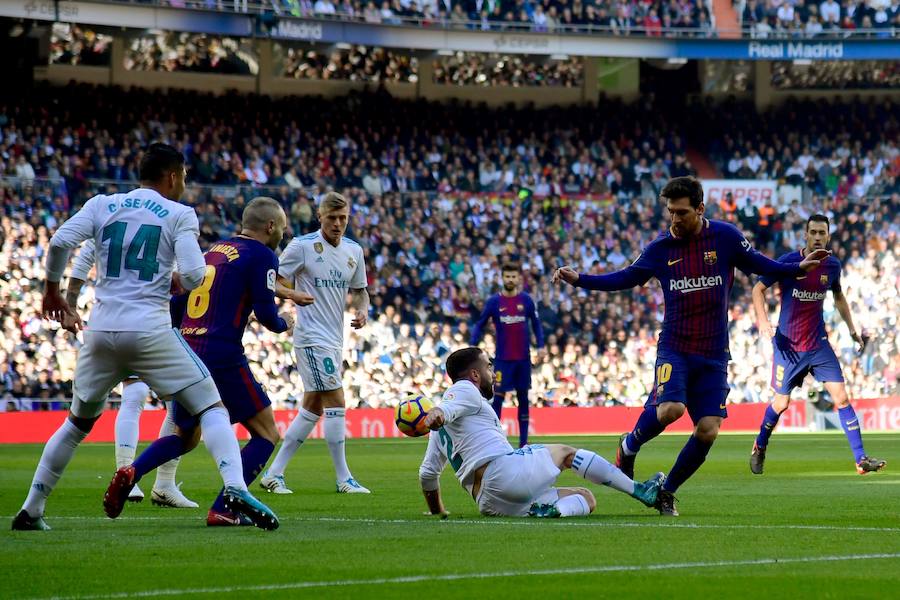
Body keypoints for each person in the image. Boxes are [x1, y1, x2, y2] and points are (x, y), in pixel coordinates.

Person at [12, 143, 278, 531]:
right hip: (150, 331)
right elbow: (191, 275)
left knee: (75, 425)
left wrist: (54, 291)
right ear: (172, 176)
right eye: (184, 176)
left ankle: (32, 509)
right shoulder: (179, 213)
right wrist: (174, 280)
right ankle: (234, 487)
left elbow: (58, 243)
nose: (184, 183)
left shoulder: (103, 204)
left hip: (101, 332)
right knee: (212, 408)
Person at [552, 176, 829, 517]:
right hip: (675, 346)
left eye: (681, 212)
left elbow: (759, 263)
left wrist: (795, 268)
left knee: (709, 430)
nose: (674, 219)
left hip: (714, 353)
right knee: (671, 409)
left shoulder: (725, 237)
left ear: (700, 209)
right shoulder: (660, 249)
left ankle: (666, 491)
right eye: (670, 212)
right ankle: (628, 445)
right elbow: (625, 277)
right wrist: (581, 279)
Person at [104, 196, 307, 526]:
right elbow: (268, 316)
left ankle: (131, 471)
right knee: (267, 433)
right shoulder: (262, 255)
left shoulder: (212, 252)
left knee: (187, 436)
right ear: (270, 226)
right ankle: (224, 508)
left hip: (185, 348)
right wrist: (286, 321)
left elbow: (176, 302)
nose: (283, 234)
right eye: (282, 228)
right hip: (222, 352)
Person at [418, 347, 662, 518]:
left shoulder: (440, 433)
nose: (493, 374)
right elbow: (448, 407)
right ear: (474, 374)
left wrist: (438, 510)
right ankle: (640, 490)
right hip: (503, 473)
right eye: (488, 367)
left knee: (586, 498)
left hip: (488, 501)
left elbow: (428, 474)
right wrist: (437, 412)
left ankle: (557, 511)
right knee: (566, 453)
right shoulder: (464, 389)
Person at [64, 240, 197, 508]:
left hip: (138, 316)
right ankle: (136, 476)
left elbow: (84, 256)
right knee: (149, 397)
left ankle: (157, 483)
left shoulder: (117, 218)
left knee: (170, 403)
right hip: (143, 317)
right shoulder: (167, 220)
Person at [750, 214, 886, 475]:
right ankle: (760, 446)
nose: (817, 237)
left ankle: (860, 460)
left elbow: (838, 295)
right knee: (781, 404)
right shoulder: (788, 262)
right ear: (805, 235)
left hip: (818, 345)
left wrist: (853, 330)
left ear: (828, 236)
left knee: (842, 397)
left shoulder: (832, 266)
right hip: (788, 346)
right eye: (812, 232)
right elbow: (758, 289)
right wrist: (763, 322)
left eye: (821, 233)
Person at [259, 192, 371, 494]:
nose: (338, 224)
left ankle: (274, 473)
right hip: (311, 338)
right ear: (319, 216)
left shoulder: (353, 251)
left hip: (335, 339)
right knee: (337, 401)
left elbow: (360, 290)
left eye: (343, 218)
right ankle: (343, 477)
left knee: (312, 407)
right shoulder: (303, 246)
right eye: (332, 218)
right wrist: (293, 295)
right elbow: (273, 281)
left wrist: (363, 309)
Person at [470, 262, 545, 447]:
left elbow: (536, 324)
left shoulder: (526, 300)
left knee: (523, 399)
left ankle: (523, 443)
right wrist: (472, 345)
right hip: (503, 359)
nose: (510, 279)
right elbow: (480, 323)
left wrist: (541, 346)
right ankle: (494, 440)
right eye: (507, 276)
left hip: (523, 359)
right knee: (498, 400)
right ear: (502, 278)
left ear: (518, 278)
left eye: (513, 276)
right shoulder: (494, 302)